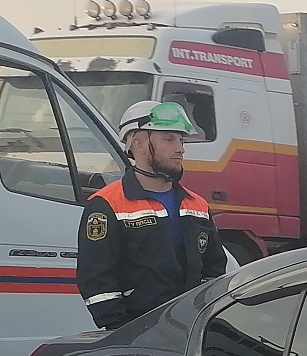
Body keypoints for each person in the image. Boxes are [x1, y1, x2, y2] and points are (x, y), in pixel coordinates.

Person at [76, 100, 227, 330]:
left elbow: (214, 270)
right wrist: (123, 331)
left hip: (190, 332)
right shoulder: (107, 205)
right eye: (169, 139)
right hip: (136, 337)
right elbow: (97, 281)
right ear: (138, 143)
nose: (180, 148)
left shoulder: (197, 205)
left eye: (181, 139)